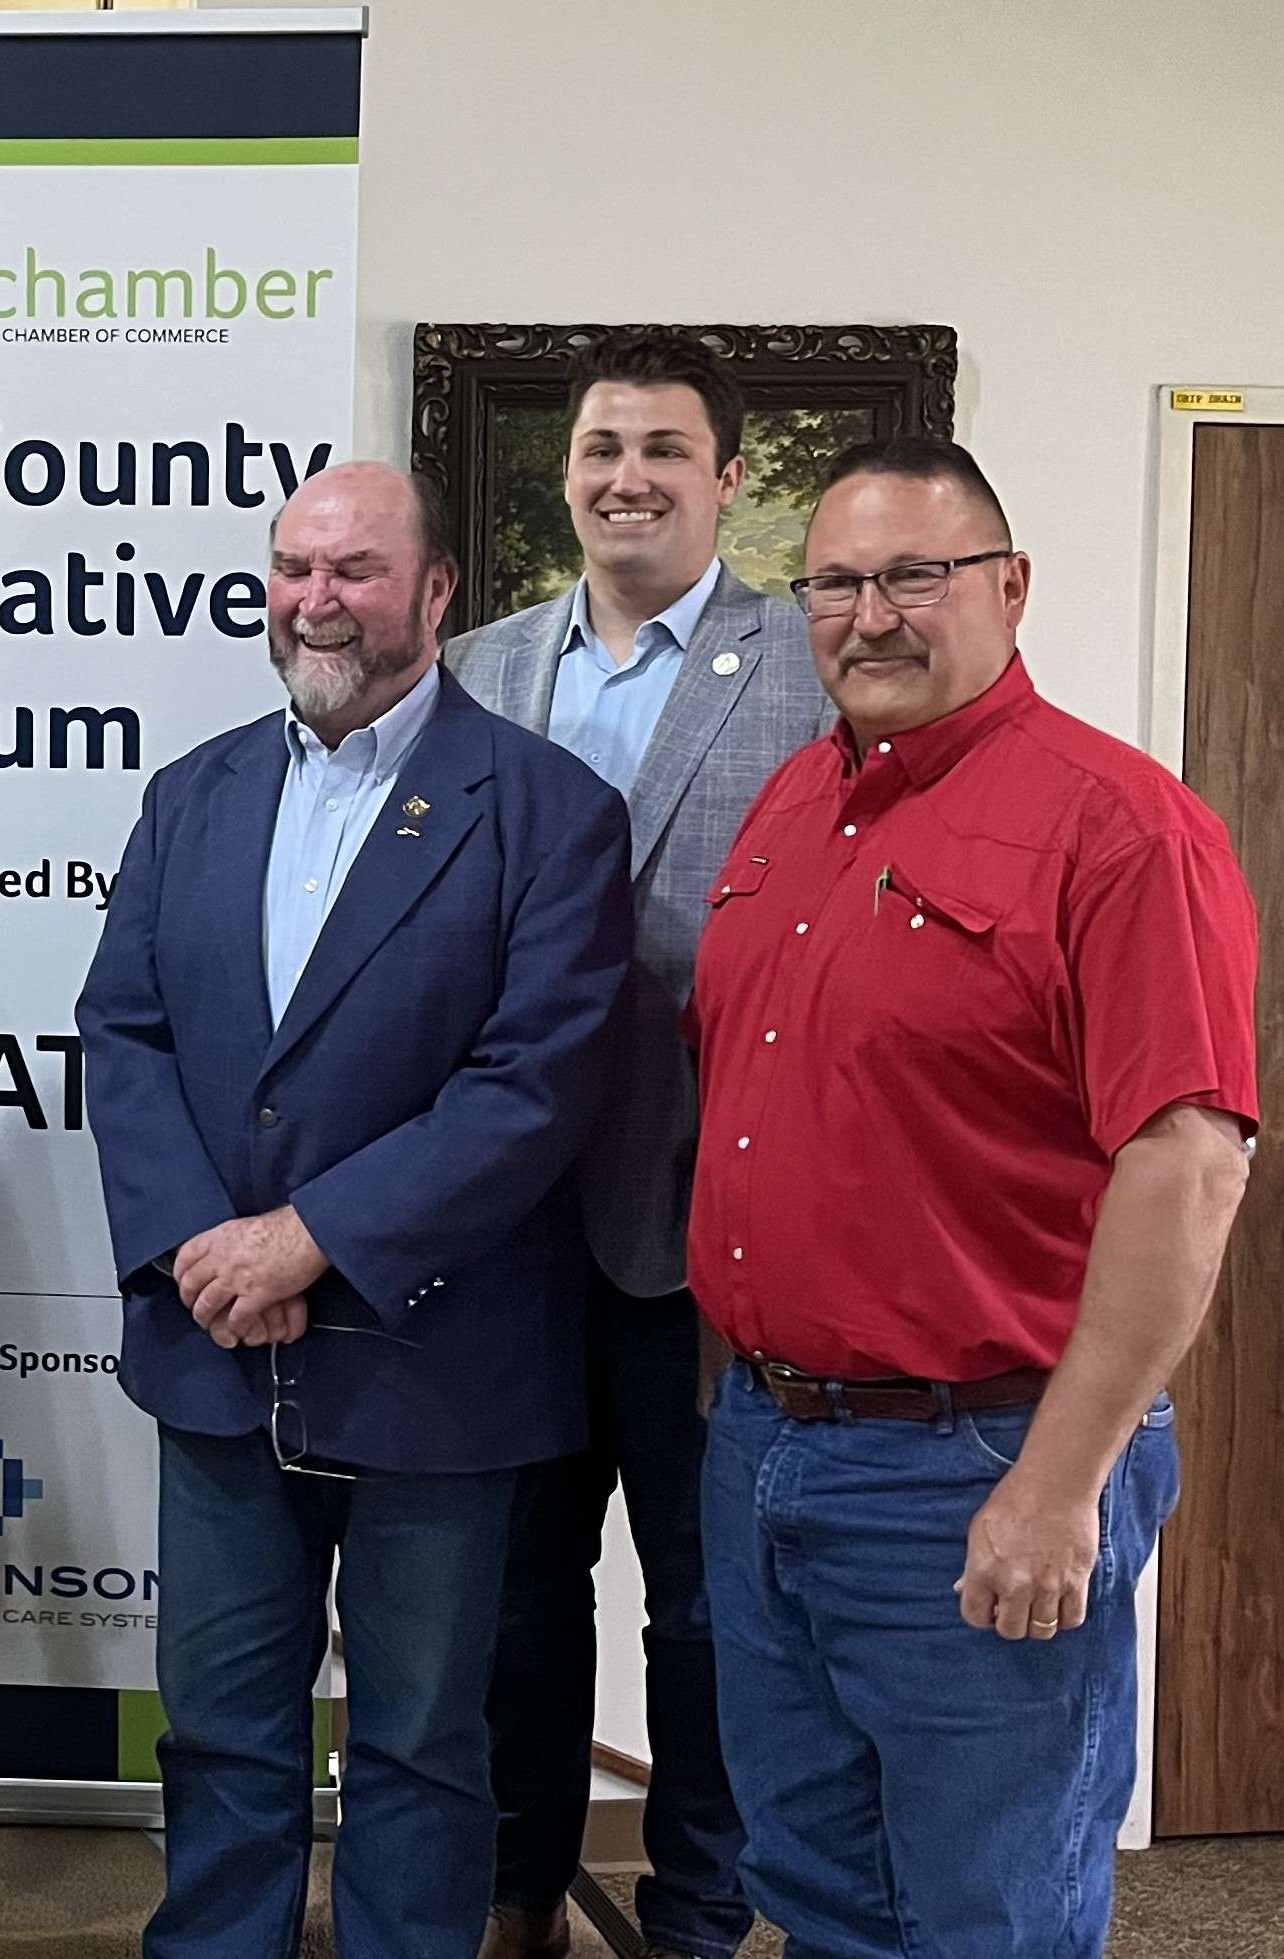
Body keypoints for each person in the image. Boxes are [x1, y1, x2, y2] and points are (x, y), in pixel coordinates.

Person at [690, 437, 1257, 1956]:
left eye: (910, 578)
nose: (866, 615)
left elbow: (1187, 1161)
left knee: (986, 1909)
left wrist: (1058, 1487)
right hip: (764, 1449)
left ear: (1007, 587)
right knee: (813, 1889)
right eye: (832, 583)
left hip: (979, 1463)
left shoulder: (1120, 828)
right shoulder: (795, 806)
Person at [77, 460, 635, 1959]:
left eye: (357, 570)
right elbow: (123, 1037)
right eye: (293, 568)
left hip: (431, 1364)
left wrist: (309, 1239)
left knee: (416, 1743)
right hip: (215, 1356)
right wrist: (206, 1246)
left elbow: (533, 1085)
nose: (317, 599)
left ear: (436, 591)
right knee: (217, 1730)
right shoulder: (189, 795)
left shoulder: (548, 812)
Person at [446, 332, 826, 1959]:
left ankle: (696, 1908)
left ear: (726, 480)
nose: (628, 477)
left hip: (704, 1229)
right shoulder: (473, 670)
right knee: (515, 1599)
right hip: (499, 1233)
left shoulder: (811, 669)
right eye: (602, 446)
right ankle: (513, 1885)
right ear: (565, 470)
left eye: (665, 449)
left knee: (701, 1607)